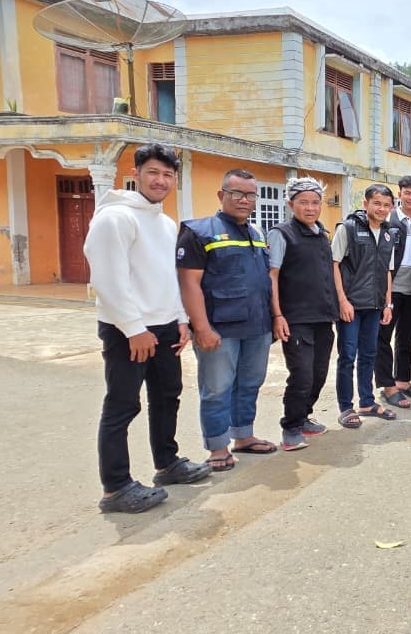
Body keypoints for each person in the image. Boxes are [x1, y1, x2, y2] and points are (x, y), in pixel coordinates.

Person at [84, 144, 209, 513]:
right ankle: (116, 487)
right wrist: (133, 328)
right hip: (129, 331)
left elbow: (167, 277)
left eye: (168, 175)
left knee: (167, 396)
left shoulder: (164, 222)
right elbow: (107, 279)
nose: (161, 180)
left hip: (164, 326)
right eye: (153, 172)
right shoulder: (116, 218)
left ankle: (166, 464)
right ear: (136, 173)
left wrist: (181, 320)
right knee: (122, 405)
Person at [177, 169, 277, 472]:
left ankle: (243, 436)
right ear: (222, 195)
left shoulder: (257, 233)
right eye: (237, 193)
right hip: (219, 329)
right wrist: (201, 327)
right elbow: (188, 283)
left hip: (257, 327)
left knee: (250, 383)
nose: (244, 200)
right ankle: (218, 447)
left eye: (250, 195)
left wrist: (273, 319)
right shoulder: (199, 232)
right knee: (217, 388)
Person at [267, 177, 338, 451]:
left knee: (319, 373)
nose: (310, 208)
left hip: (322, 317)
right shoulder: (282, 233)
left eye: (315, 202)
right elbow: (272, 276)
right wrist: (278, 315)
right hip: (295, 319)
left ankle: (305, 416)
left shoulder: (322, 233)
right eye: (303, 202)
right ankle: (291, 427)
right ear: (290, 203)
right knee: (301, 375)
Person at [331, 184, 398, 429]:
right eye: (377, 203)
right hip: (351, 304)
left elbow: (388, 271)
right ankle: (346, 407)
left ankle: (367, 402)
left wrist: (388, 303)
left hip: (375, 305)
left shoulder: (390, 233)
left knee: (369, 354)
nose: (381, 209)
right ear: (365, 204)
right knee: (348, 355)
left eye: (386, 205)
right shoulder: (347, 229)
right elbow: (334, 264)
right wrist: (342, 300)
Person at [377, 175, 411, 408]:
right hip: (388, 288)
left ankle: (402, 380)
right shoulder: (387, 219)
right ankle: (387, 385)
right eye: (407, 192)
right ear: (399, 194)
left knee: (406, 338)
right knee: (383, 338)